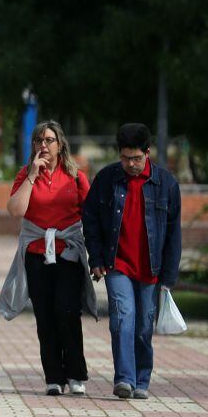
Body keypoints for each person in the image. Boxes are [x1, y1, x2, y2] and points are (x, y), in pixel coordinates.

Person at [82, 123, 181, 400]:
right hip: (117, 264)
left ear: (147, 153)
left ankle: (141, 379)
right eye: (125, 158)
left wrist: (169, 277)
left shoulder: (166, 184)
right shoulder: (107, 179)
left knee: (143, 327)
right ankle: (124, 379)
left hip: (151, 268)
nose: (131, 164)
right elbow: (90, 219)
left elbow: (173, 233)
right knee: (123, 318)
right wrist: (96, 258)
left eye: (136, 158)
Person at [0, 120, 96, 396]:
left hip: (68, 254)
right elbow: (15, 210)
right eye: (38, 140)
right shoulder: (26, 174)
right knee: (45, 316)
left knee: (67, 311)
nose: (43, 145)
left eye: (49, 140)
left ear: (60, 144)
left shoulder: (75, 176)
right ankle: (53, 377)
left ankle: (75, 373)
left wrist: (97, 255)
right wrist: (32, 175)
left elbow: (90, 214)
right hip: (36, 254)